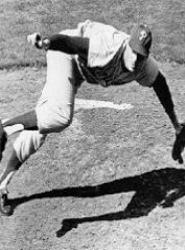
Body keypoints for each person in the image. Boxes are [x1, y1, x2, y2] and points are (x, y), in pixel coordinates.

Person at [0, 20, 182, 216]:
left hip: (80, 70)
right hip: (65, 54)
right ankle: (4, 128)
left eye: (141, 55)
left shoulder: (143, 66)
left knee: (40, 129)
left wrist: (176, 126)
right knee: (59, 116)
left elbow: (160, 84)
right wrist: (46, 42)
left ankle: (1, 185)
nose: (136, 59)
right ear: (128, 44)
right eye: (134, 52)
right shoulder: (108, 47)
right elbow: (69, 42)